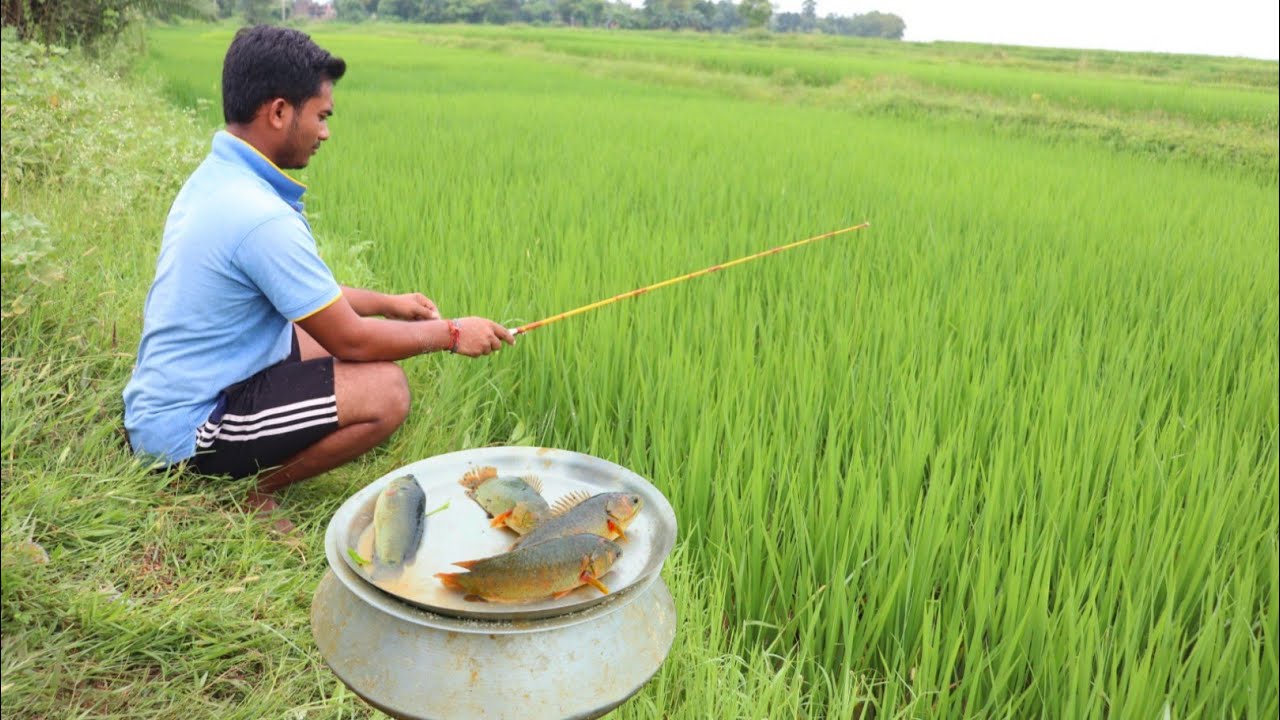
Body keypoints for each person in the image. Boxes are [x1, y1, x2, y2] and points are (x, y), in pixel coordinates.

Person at [123, 25, 514, 530]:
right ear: (280, 111)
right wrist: (453, 333)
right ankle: (245, 491)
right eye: (321, 115)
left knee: (311, 333)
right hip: (184, 427)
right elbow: (350, 338)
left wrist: (388, 302)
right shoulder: (259, 216)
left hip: (180, 386)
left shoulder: (223, 179)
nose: (326, 132)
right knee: (386, 391)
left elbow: (309, 297)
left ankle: (240, 466)